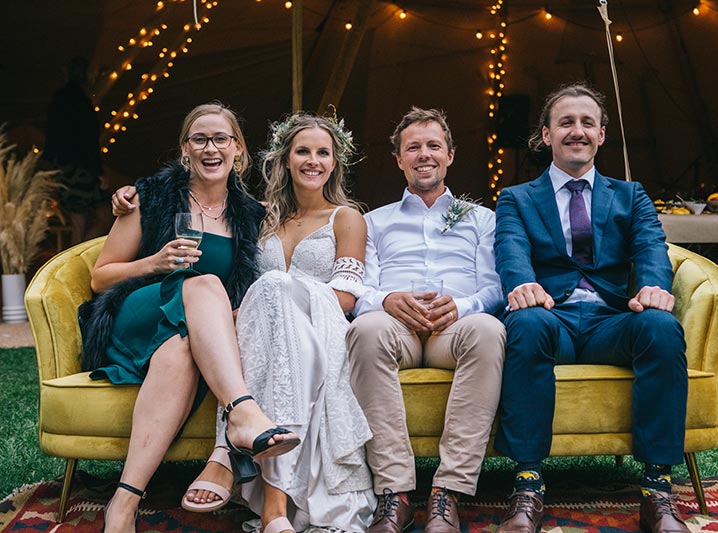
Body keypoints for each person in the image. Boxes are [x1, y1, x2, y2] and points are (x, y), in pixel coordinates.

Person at [113, 113, 376, 533]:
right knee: (269, 313)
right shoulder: (261, 217)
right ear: (284, 160)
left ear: (335, 162)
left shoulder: (345, 218)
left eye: (322, 152)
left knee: (275, 300)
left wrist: (277, 302)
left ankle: (233, 462)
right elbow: (246, 288)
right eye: (302, 151)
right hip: (259, 328)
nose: (312, 160)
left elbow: (346, 295)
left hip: (318, 327)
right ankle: (262, 486)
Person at [85, 102, 300, 533]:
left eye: (221, 138)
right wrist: (155, 264)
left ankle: (123, 504)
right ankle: (241, 411)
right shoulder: (153, 196)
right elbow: (100, 279)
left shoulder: (252, 214)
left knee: (180, 352)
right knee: (203, 284)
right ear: (185, 149)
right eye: (199, 139)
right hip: (136, 315)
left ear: (238, 149)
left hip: (194, 333)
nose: (210, 147)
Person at [493, 83, 689, 533]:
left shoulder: (631, 194)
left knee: (661, 327)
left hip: (612, 320)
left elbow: (650, 246)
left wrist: (655, 288)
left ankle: (657, 491)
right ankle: (527, 484)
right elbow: (510, 249)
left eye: (587, 123)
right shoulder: (517, 198)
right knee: (524, 323)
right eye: (565, 122)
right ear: (546, 135)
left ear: (602, 134)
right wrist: (522, 284)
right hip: (552, 317)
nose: (576, 131)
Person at [346, 107, 506, 533]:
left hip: (454, 327)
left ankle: (448, 493)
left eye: (433, 145)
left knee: (490, 330)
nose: (424, 154)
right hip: (394, 325)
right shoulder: (373, 221)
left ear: (450, 154)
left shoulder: (482, 219)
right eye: (412, 147)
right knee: (364, 329)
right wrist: (386, 300)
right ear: (398, 159)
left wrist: (463, 307)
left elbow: (495, 288)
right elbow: (360, 288)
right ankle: (393, 492)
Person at [42, 56, 111, 245]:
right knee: (100, 218)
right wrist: (98, 171)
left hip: (63, 167)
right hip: (80, 169)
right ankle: (77, 266)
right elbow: (86, 140)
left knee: (79, 222)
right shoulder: (81, 102)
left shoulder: (59, 99)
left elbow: (52, 137)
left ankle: (77, 264)